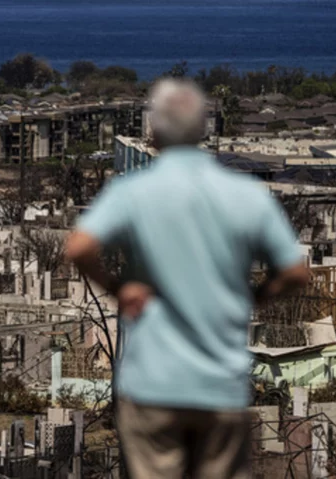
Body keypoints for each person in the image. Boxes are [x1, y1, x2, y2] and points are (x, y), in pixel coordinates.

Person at [65, 79, 309, 479]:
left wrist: (118, 289)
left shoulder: (133, 190)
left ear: (154, 132)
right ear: (202, 130)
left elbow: (79, 246)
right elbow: (296, 271)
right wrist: (254, 297)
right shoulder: (245, 194)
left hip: (152, 386)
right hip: (220, 389)